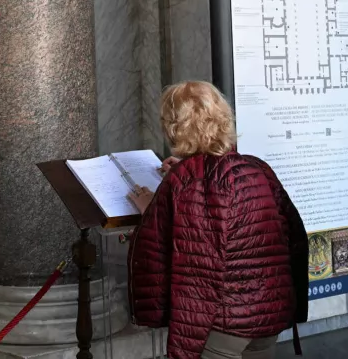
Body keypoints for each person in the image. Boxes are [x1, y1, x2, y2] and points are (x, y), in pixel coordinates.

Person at [127, 81, 308, 359]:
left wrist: (149, 209)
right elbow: (293, 235)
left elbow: (180, 254)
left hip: (221, 324)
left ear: (175, 126)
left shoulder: (185, 181)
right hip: (269, 315)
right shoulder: (257, 169)